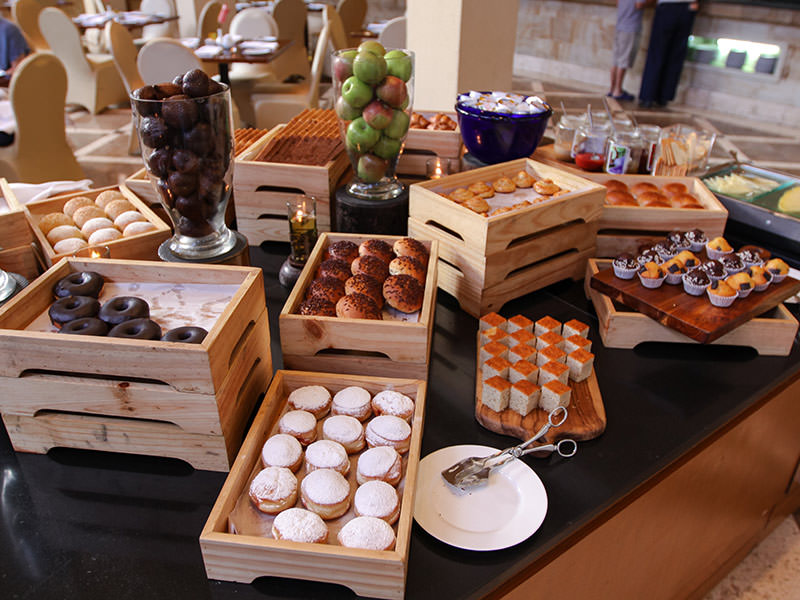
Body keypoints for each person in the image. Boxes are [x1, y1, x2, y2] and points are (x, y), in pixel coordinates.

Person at [638, 0, 700, 108]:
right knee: (674, 56)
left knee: (659, 54)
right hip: (685, 7)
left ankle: (650, 96)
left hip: (671, 7)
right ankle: (661, 97)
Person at [608, 0, 650, 102]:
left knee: (616, 60)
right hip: (630, 28)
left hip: (620, 26)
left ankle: (612, 89)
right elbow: (639, 4)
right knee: (623, 60)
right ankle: (618, 91)